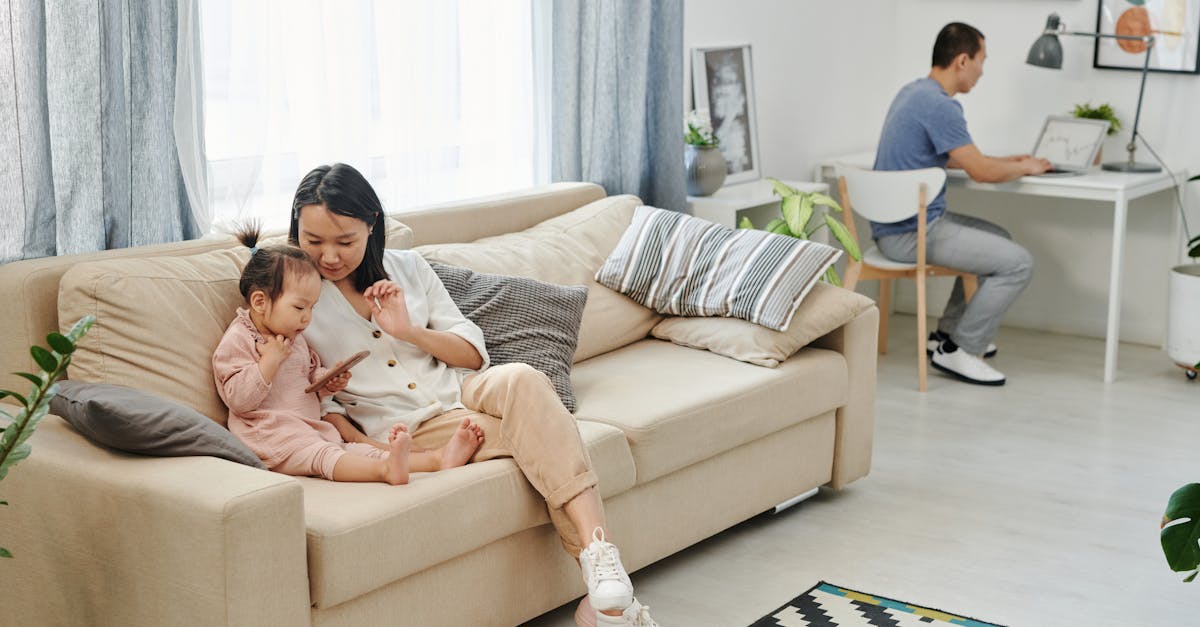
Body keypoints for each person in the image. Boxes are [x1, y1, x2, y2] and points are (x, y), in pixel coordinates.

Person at [288, 163, 657, 627]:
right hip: (418, 424)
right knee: (544, 433)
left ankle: (601, 571)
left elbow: (472, 354)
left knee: (524, 378)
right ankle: (608, 594)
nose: (329, 256)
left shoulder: (409, 268)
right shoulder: (292, 296)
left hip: (464, 387)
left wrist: (409, 331)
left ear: (372, 225)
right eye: (312, 240)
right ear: (296, 227)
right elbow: (314, 401)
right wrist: (372, 444)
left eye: (345, 241)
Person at [212, 226, 485, 486]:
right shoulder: (240, 339)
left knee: (355, 451)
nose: (307, 318)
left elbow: (308, 380)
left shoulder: (294, 339)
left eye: (312, 308)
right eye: (299, 307)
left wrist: (326, 381)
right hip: (270, 438)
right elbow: (239, 399)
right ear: (260, 302)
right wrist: (268, 362)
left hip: (311, 430)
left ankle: (435, 459)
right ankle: (386, 471)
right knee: (326, 457)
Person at [871, 22, 1050, 387]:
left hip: (896, 227)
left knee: (999, 237)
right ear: (963, 60)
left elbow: (958, 158)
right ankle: (961, 351)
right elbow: (980, 172)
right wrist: (1025, 168)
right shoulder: (940, 106)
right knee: (1018, 263)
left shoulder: (914, 92)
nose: (983, 71)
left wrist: (1011, 163)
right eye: (982, 61)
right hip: (910, 234)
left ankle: (946, 335)